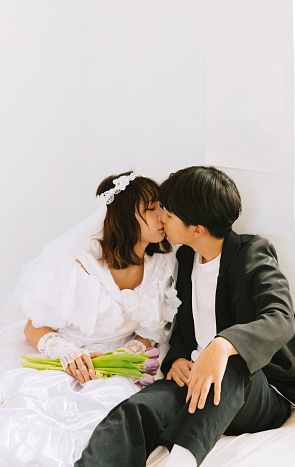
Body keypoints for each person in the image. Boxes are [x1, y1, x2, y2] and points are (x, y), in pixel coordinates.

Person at [76, 166, 295, 467]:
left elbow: (280, 318)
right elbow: (180, 328)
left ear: (197, 228)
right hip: (197, 381)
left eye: (169, 213)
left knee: (230, 364)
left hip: (260, 389)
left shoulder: (251, 253)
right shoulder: (185, 257)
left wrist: (223, 345)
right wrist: (176, 359)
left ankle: (181, 460)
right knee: (136, 411)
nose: (161, 217)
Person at [0, 171, 181, 466]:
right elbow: (33, 325)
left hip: (116, 366)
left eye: (161, 205)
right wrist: (69, 354)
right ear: (123, 215)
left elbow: (153, 330)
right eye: (150, 208)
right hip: (65, 358)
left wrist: (124, 355)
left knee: (109, 418)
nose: (161, 215)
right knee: (32, 415)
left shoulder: (164, 262)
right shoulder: (79, 264)